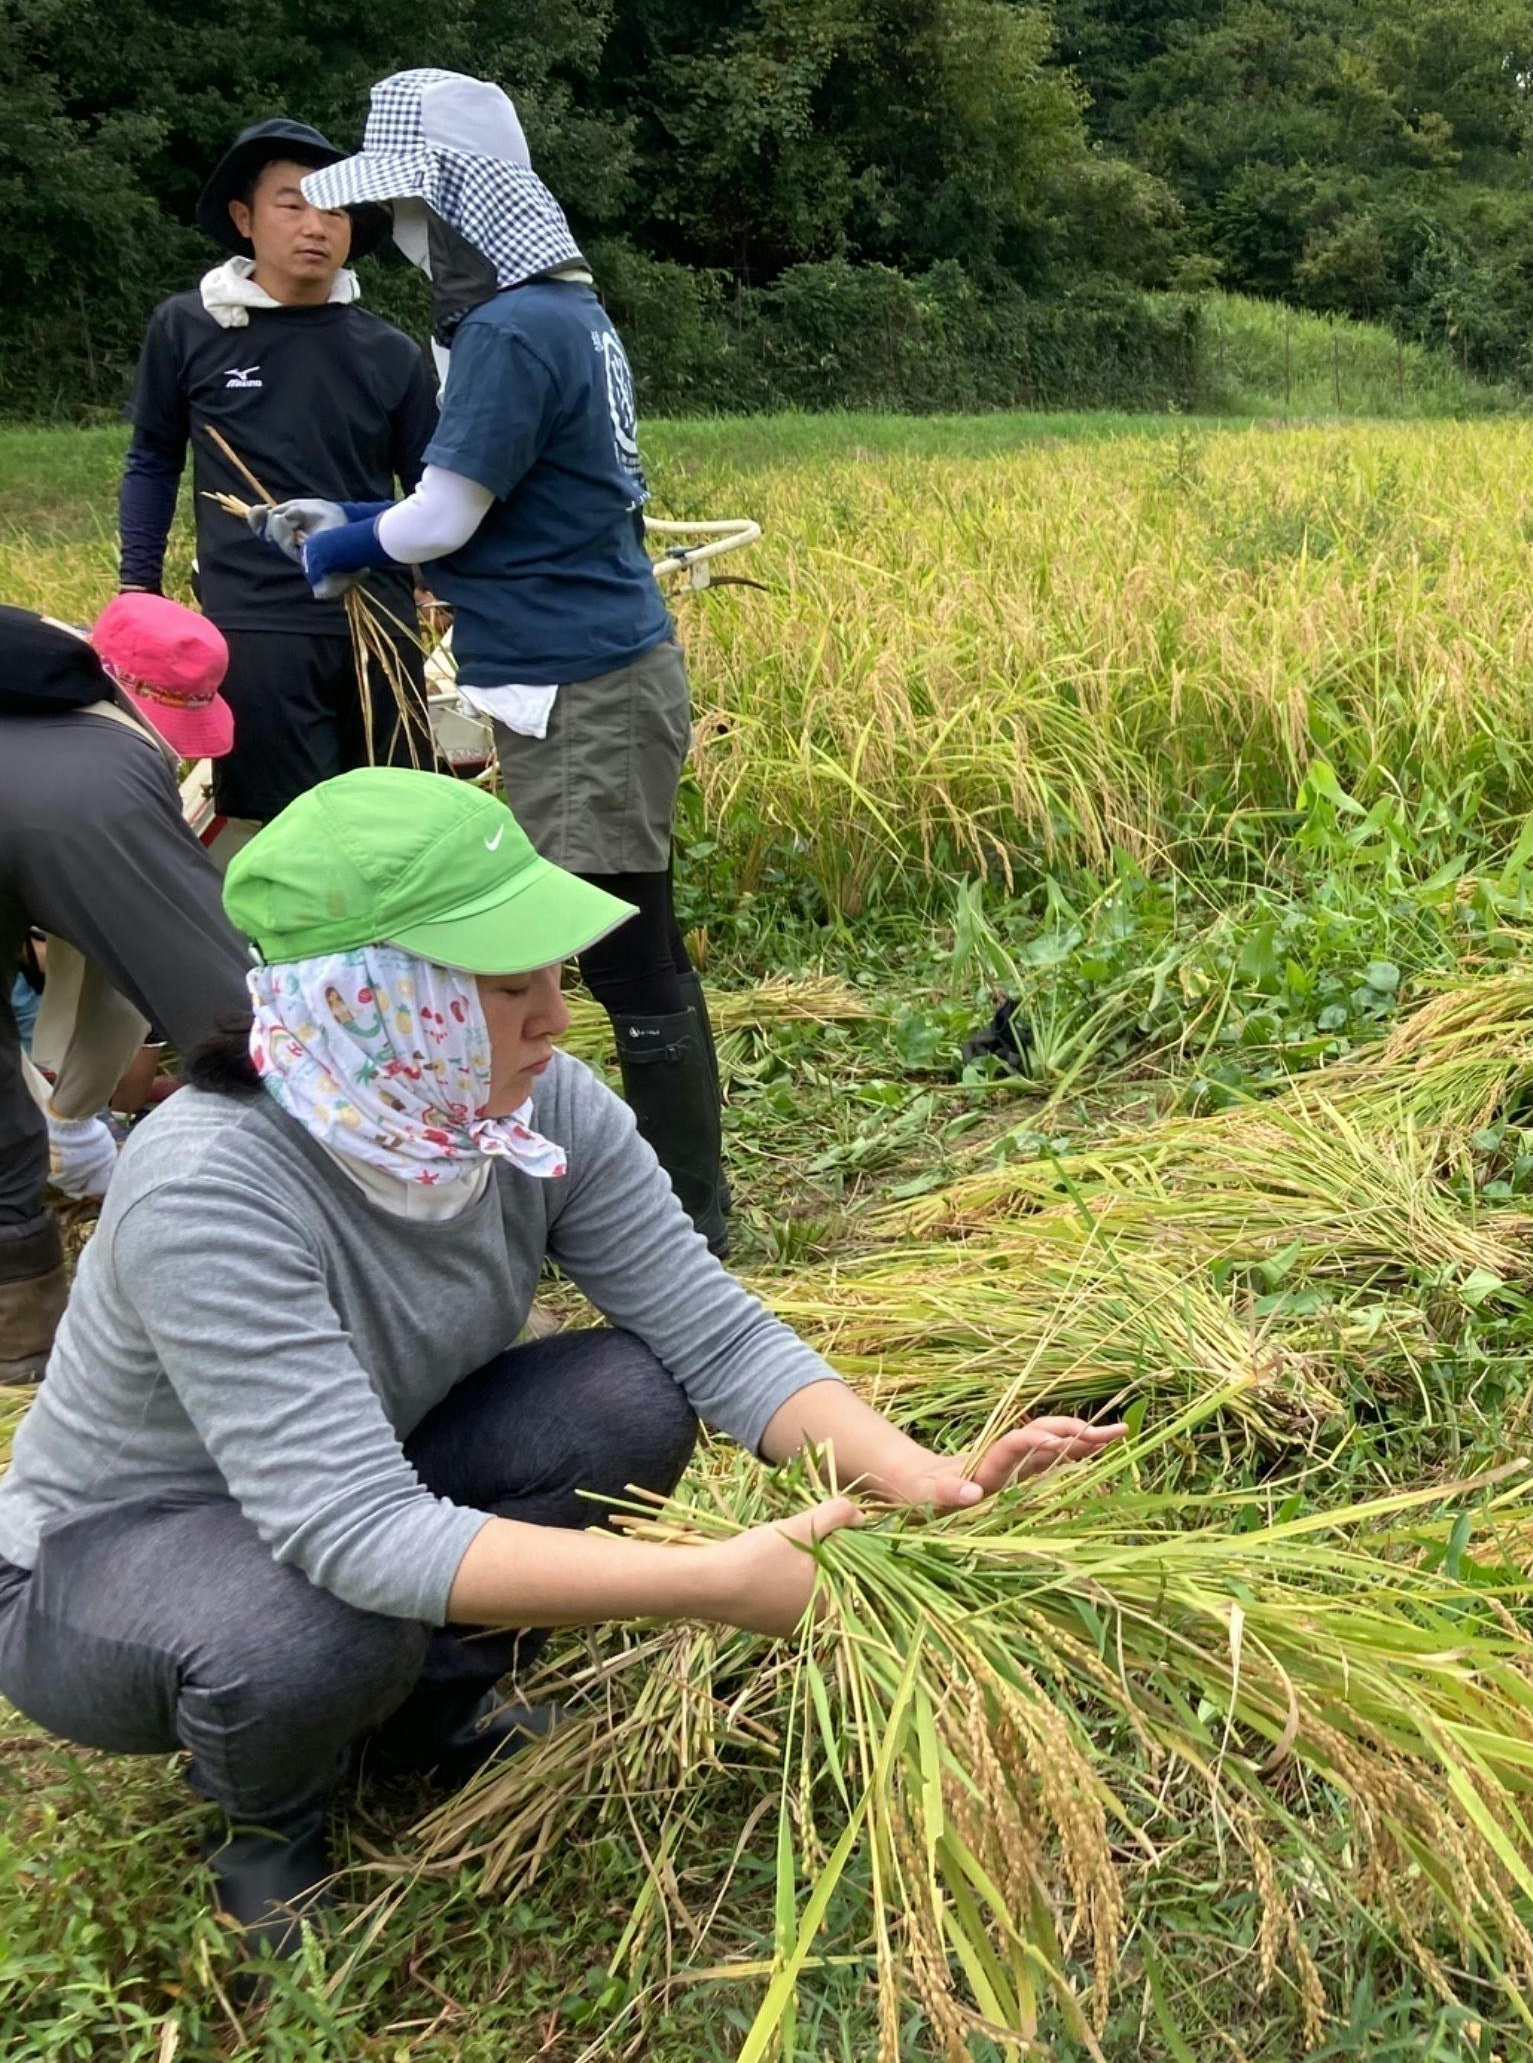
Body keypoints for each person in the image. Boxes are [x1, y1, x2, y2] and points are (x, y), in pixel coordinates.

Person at [0, 769, 1116, 1952]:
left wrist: (925, 1478)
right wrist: (709, 1583)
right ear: (371, 1000)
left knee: (626, 1396)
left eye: (552, 975)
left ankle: (424, 1715)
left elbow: (712, 1330)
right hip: (110, 1560)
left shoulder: (531, 1111)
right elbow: (351, 1531)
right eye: (505, 986)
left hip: (358, 1475)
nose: (555, 1019)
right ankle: (269, 1823)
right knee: (324, 1625)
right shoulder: (210, 1185)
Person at [263, 71, 732, 1253]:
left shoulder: (516, 328)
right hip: (579, 667)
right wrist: (358, 514)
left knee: (620, 947)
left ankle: (684, 1221)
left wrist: (343, 544)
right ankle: (659, 1204)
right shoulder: (562, 312)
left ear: (459, 201)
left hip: (585, 681)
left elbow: (443, 519)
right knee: (617, 935)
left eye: (407, 207)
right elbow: (489, 500)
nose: (397, 232)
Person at [119, 118, 437, 848]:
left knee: (398, 826)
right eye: (292, 205)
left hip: (379, 623)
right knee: (290, 835)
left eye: (335, 209)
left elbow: (428, 488)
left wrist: (438, 590)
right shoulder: (190, 328)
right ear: (244, 218)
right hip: (257, 624)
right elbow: (153, 459)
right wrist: (138, 586)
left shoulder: (389, 352)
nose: (315, 226)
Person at [0, 601, 257, 1379]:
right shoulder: (97, 775)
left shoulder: (38, 676)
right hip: (78, 808)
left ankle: (21, 1342)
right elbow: (228, 1004)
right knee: (253, 1030)